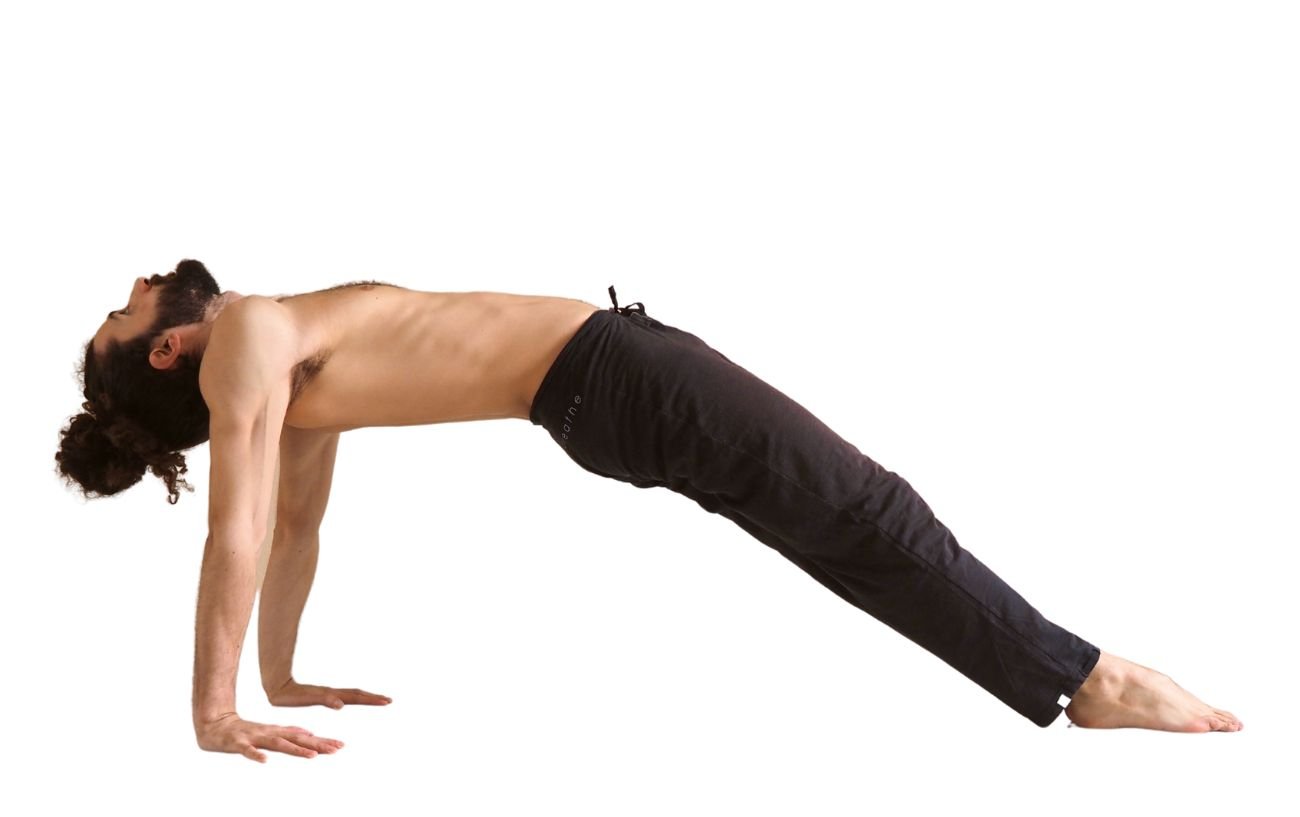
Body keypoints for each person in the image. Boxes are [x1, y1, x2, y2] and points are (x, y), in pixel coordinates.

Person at [55, 259, 1243, 763]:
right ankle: (1088, 679)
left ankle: (1064, 676)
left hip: (606, 386)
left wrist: (279, 677)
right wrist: (215, 706)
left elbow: (294, 528)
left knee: (843, 526)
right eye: (126, 306)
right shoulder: (250, 336)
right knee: (863, 510)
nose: (143, 276)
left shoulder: (279, 371)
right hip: (612, 379)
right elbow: (242, 528)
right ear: (163, 352)